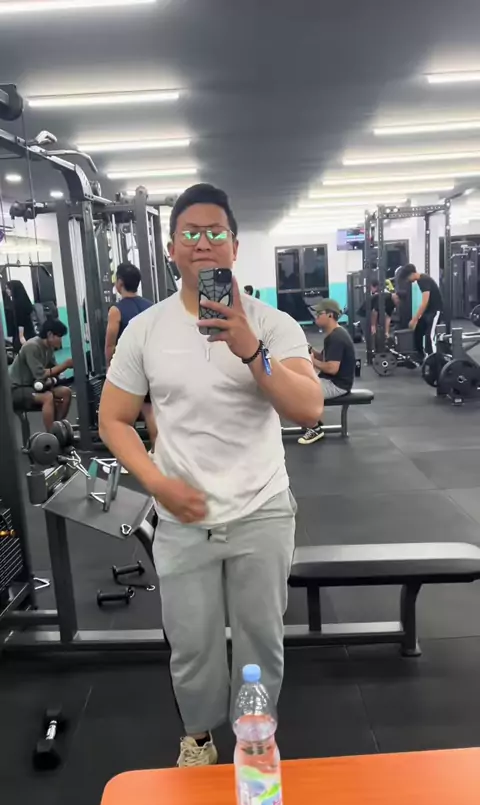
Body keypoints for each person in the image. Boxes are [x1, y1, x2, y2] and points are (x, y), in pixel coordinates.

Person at [99, 182, 323, 768]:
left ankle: (254, 736)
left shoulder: (272, 324)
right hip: (182, 517)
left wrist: (251, 350)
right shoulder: (146, 330)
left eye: (215, 232)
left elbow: (308, 408)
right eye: (190, 233)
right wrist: (157, 483)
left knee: (260, 644)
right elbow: (113, 419)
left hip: (261, 509)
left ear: (234, 246)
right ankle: (198, 738)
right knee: (193, 646)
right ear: (172, 248)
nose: (203, 242)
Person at [104, 262, 157, 446]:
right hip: (149, 364)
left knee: (123, 417)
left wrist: (109, 367)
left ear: (119, 283)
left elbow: (110, 344)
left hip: (128, 367)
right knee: (149, 409)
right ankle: (157, 451)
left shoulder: (116, 310)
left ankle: (129, 454)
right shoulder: (151, 307)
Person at [298, 298, 355, 446]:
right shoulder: (333, 334)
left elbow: (332, 368)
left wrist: (312, 361)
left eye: (319, 313)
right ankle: (312, 420)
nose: (316, 316)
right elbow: (324, 357)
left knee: (300, 392)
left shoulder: (337, 337)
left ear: (330, 315)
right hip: (331, 380)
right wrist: (308, 349)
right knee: (296, 383)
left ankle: (315, 428)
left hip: (337, 385)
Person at [9, 317, 73, 432]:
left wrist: (58, 373)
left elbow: (54, 369)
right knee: (47, 397)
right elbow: (40, 374)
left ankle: (57, 429)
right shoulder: (31, 346)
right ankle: (51, 435)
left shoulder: (49, 348)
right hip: (17, 389)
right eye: (59, 337)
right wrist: (65, 365)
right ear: (50, 335)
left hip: (34, 385)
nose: (61, 341)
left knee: (66, 392)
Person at [397, 263, 443, 360]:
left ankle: (435, 361)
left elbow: (424, 302)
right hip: (428, 312)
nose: (408, 281)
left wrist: (414, 319)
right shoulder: (420, 280)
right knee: (418, 331)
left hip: (435, 311)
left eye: (407, 278)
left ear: (411, 274)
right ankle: (420, 356)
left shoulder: (424, 280)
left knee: (429, 336)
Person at [1, 280, 36, 353]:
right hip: (29, 332)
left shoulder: (18, 303)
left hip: (23, 333)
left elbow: (21, 321)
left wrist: (21, 336)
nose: (7, 290)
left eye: (8, 288)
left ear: (14, 289)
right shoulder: (24, 300)